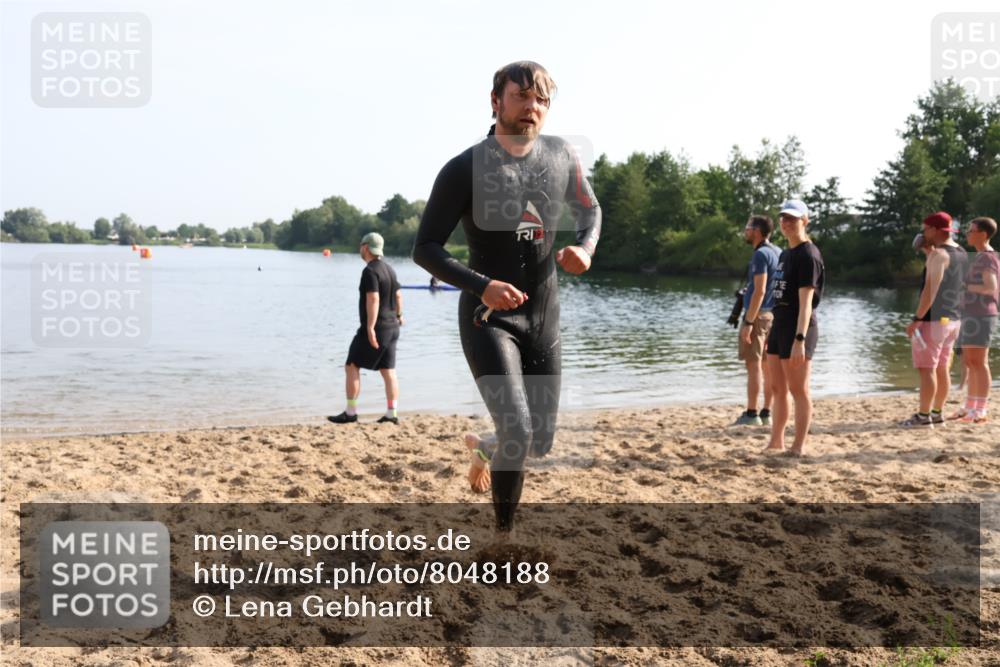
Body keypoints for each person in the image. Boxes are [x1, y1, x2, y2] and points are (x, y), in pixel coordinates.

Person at [412, 61, 601, 531]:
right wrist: (483, 286)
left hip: (544, 317)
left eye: (542, 99)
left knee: (539, 442)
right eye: (522, 96)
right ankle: (503, 538)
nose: (532, 107)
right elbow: (425, 248)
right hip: (488, 318)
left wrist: (585, 247)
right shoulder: (464, 169)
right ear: (495, 101)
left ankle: (485, 448)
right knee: (518, 430)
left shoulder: (562, 155)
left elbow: (590, 209)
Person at [763, 199, 824, 456]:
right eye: (783, 218)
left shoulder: (808, 255)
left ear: (805, 221)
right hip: (780, 325)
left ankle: (798, 446)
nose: (786, 223)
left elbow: (806, 303)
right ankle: (776, 441)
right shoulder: (785, 253)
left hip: (799, 327)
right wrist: (771, 331)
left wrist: (800, 339)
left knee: (799, 390)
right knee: (777, 388)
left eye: (792, 218)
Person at [328, 232, 404, 425]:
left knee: (352, 365)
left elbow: (373, 298)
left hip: (377, 327)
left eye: (361, 245)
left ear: (366, 248)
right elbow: (398, 295)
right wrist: (400, 315)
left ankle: (351, 412)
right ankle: (392, 413)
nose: (360, 249)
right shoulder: (390, 269)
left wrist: (370, 327)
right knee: (388, 370)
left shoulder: (370, 271)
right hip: (393, 327)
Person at [902, 212, 968, 427]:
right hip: (952, 320)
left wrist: (917, 319)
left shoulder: (939, 254)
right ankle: (937, 413)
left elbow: (931, 289)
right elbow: (952, 281)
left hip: (933, 321)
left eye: (925, 229)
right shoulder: (960, 252)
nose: (923, 233)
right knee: (941, 368)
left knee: (927, 369)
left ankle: (923, 416)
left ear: (935, 230)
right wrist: (928, 253)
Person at [950, 216, 998, 423]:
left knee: (979, 362)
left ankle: (980, 409)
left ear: (983, 234)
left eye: (971, 231)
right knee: (970, 362)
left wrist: (965, 287)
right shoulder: (979, 257)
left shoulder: (987, 257)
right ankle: (969, 406)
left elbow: (990, 287)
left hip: (982, 315)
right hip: (970, 314)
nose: (967, 234)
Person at [733, 215, 780, 426]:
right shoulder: (778, 252)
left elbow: (759, 290)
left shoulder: (760, 255)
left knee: (754, 366)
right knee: (768, 367)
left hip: (758, 316)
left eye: (748, 227)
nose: (745, 231)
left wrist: (749, 322)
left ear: (757, 231)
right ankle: (766, 413)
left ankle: (751, 414)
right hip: (773, 316)